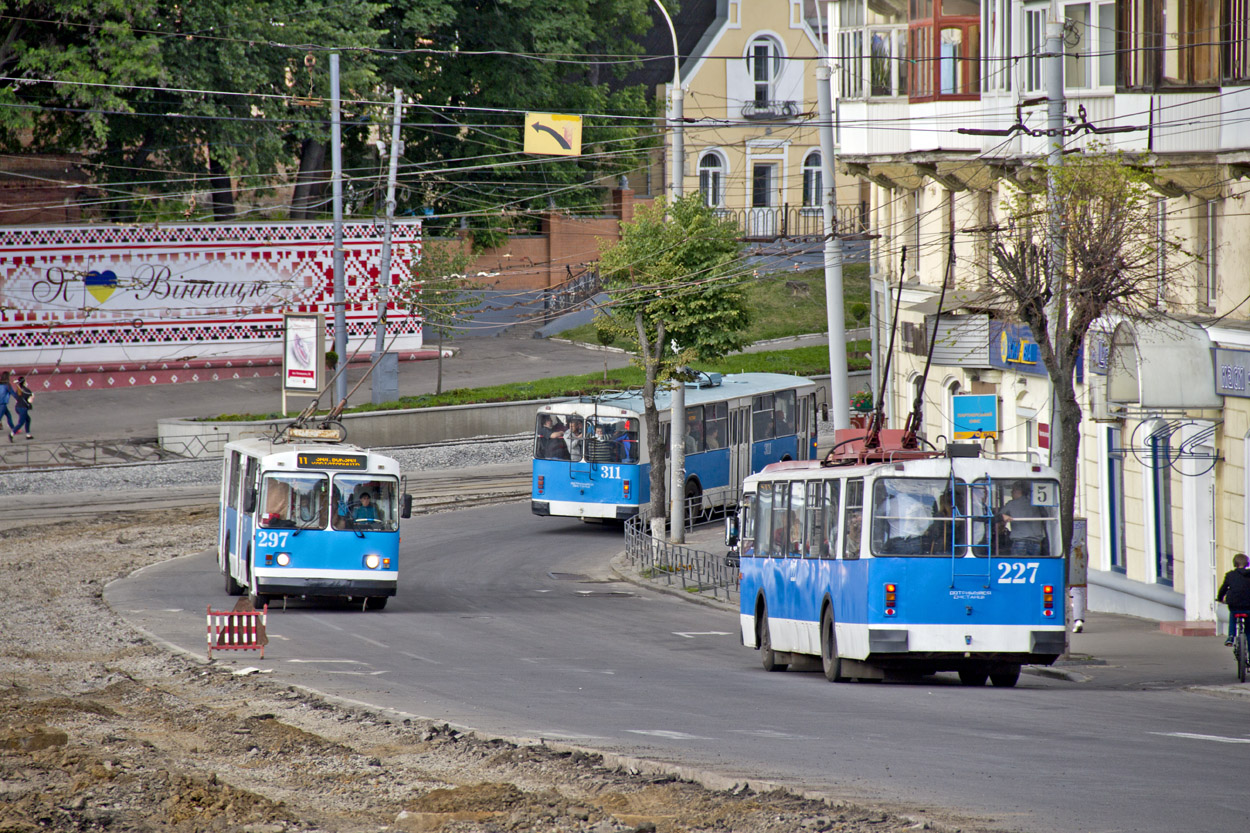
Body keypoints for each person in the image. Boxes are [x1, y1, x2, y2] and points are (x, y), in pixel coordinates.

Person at [874, 486, 931, 554]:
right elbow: (924, 525)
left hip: (896, 541)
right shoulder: (916, 503)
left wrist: (885, 528)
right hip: (914, 541)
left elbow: (876, 518)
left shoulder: (889, 503)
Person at [999, 482, 1046, 556]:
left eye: (1012, 490)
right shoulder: (1037, 504)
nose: (1011, 493)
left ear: (1018, 491)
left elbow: (999, 517)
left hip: (1020, 542)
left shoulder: (1011, 504)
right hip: (1036, 543)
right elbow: (1045, 516)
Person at [1217, 552, 1250, 646]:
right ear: (1247, 564)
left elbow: (1223, 589)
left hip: (1234, 604)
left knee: (1233, 615)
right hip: (1248, 605)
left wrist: (1220, 598)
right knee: (1248, 629)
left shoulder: (1230, 575)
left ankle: (1231, 637)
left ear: (1234, 564)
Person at [9, 375, 32, 441]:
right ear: (24, 382)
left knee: (28, 419)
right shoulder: (27, 391)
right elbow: (29, 401)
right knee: (21, 423)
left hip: (17, 408)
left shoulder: (18, 390)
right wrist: (32, 396)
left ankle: (28, 434)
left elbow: (17, 399)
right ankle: (12, 434)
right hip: (23, 408)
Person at [0, 371, 16, 438]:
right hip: (2, 403)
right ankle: (14, 429)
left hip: (2, 404)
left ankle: (14, 428)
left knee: (8, 415)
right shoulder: (8, 385)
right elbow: (13, 394)